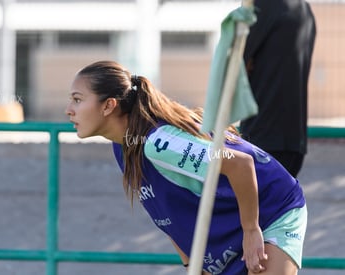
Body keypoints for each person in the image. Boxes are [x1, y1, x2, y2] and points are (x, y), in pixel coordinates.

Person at [65, 60, 307, 275]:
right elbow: (167, 214)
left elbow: (240, 164)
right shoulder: (123, 148)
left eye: (77, 99)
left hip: (273, 209)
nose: (69, 110)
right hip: (232, 225)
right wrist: (192, 266)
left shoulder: (159, 144)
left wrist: (251, 230)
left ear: (108, 106)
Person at [240, 0, 316, 177]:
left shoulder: (263, 7)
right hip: (295, 141)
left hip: (261, 139)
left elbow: (233, 65)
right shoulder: (305, 10)